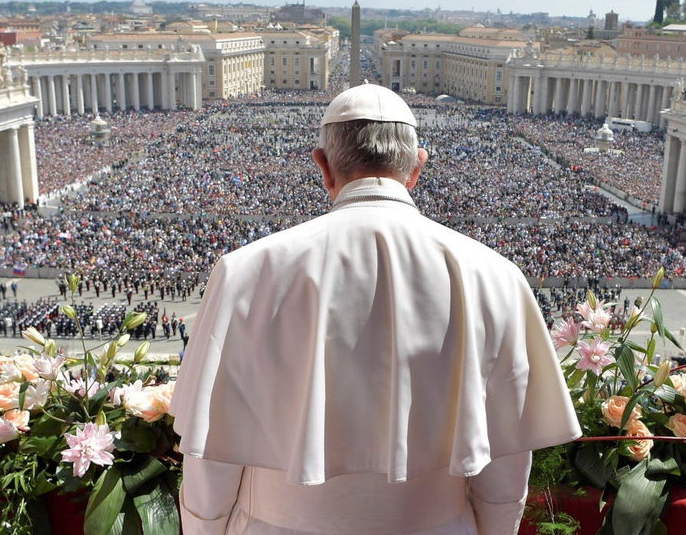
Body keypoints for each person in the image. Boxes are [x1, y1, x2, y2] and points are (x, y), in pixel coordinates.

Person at [170, 84, 581, 535]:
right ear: (416, 168)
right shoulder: (494, 274)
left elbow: (211, 455)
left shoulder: (245, 271)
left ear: (324, 166)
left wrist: (202, 529)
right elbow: (504, 460)